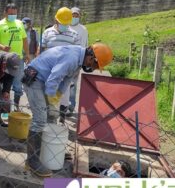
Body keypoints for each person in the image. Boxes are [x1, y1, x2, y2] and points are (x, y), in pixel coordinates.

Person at [22, 43, 113, 177]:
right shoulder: (72, 58)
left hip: (44, 80)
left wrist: (58, 95)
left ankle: (50, 149)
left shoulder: (78, 60)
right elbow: (54, 79)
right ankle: (32, 161)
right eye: (95, 65)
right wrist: (51, 97)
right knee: (40, 119)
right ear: (91, 58)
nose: (93, 68)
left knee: (52, 116)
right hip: (35, 79)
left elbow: (66, 80)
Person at [0, 3, 30, 111]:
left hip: (18, 60)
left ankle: (16, 108)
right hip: (5, 60)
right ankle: (3, 109)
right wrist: (2, 47)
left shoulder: (19, 23)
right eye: (10, 14)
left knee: (18, 85)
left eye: (15, 14)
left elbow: (24, 39)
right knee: (4, 86)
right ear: (5, 13)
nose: (13, 16)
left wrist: (26, 54)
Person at [61, 6, 89, 121]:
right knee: (62, 82)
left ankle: (71, 106)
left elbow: (84, 45)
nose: (74, 17)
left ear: (79, 16)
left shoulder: (83, 29)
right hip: (64, 59)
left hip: (76, 60)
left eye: (76, 15)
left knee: (72, 84)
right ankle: (62, 105)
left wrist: (81, 61)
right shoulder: (65, 27)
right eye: (73, 15)